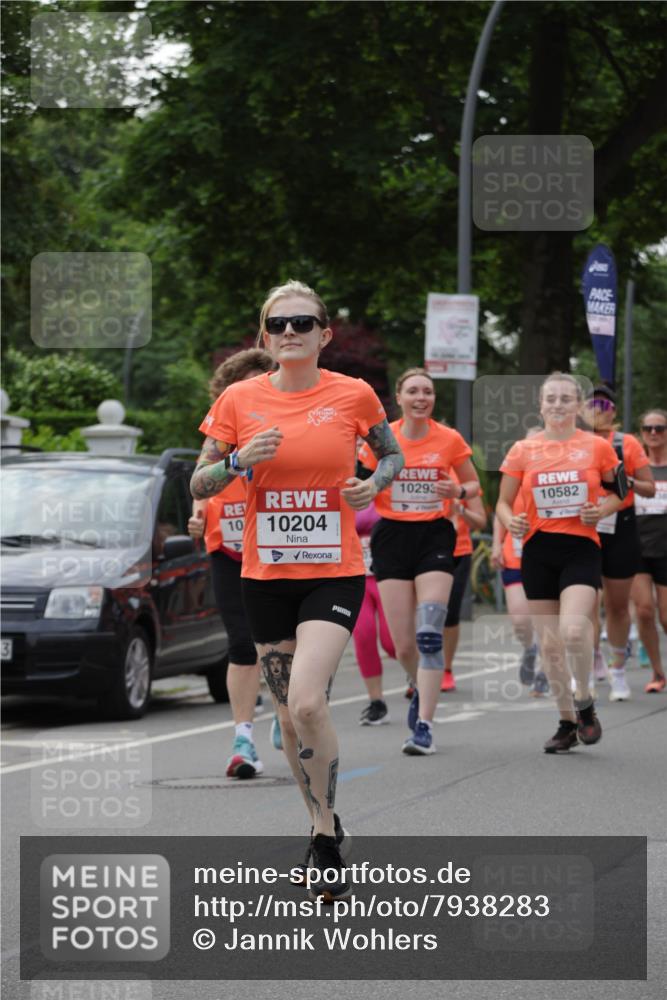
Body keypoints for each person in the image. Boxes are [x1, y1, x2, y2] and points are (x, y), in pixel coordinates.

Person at [190, 280, 403, 900]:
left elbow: (389, 457)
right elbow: (200, 483)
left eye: (302, 323)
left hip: (333, 569)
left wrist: (371, 484)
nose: (289, 332)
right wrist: (236, 461)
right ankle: (324, 827)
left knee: (307, 703)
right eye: (278, 324)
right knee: (284, 713)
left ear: (324, 334)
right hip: (266, 576)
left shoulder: (353, 394)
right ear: (264, 334)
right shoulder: (237, 399)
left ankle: (325, 834)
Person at [496, 372, 625, 754]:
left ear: (578, 406)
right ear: (540, 405)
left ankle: (584, 698)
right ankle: (567, 721)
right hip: (538, 552)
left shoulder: (597, 447)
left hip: (581, 548)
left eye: (565, 399)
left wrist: (600, 508)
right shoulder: (523, 449)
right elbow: (502, 503)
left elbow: (620, 492)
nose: (557, 405)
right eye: (550, 398)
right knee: (550, 644)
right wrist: (510, 521)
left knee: (572, 632)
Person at [359, 367, 480, 756]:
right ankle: (416, 685)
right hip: (392, 537)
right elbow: (359, 486)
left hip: (434, 536)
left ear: (433, 399)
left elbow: (474, 487)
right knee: (403, 644)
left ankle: (424, 726)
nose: (421, 397)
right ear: (400, 397)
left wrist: (457, 490)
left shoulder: (449, 440)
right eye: (413, 391)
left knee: (430, 633)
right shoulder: (381, 440)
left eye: (427, 391)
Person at [189, 348, 275, 779]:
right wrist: (197, 513)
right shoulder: (221, 433)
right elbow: (201, 484)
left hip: (283, 550)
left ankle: (293, 711)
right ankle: (243, 741)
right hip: (229, 549)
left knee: (285, 645)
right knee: (242, 645)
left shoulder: (286, 426)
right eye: (243, 384)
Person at [581, 385, 655, 700]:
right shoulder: (573, 443)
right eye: (592, 402)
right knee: (585, 602)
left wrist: (625, 479)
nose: (599, 408)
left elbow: (650, 489)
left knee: (616, 604)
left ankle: (618, 669)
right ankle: (588, 663)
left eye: (605, 403)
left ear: (613, 410)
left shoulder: (628, 443)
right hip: (583, 526)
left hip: (621, 526)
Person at [490, 427, 548, 696]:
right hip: (515, 556)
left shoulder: (555, 474)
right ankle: (529, 648)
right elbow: (501, 509)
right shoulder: (515, 473)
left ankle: (545, 674)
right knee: (520, 618)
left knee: (548, 621)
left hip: (547, 554)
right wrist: (495, 546)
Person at [630, 409, 667, 693]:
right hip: (638, 546)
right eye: (648, 428)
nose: (653, 433)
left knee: (665, 616)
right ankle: (657, 672)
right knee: (643, 611)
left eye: (660, 428)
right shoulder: (634, 467)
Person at [441, 478, 487, 692]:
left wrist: (461, 510)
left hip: (457, 552)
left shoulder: (462, 478)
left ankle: (446, 669)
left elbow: (480, 522)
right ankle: (419, 671)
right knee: (422, 612)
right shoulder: (413, 464)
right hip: (421, 552)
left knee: (449, 614)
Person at [353, 504, 397, 724]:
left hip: (387, 576)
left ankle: (419, 680)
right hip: (356, 579)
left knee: (393, 642)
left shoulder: (384, 485)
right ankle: (376, 702)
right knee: (364, 636)